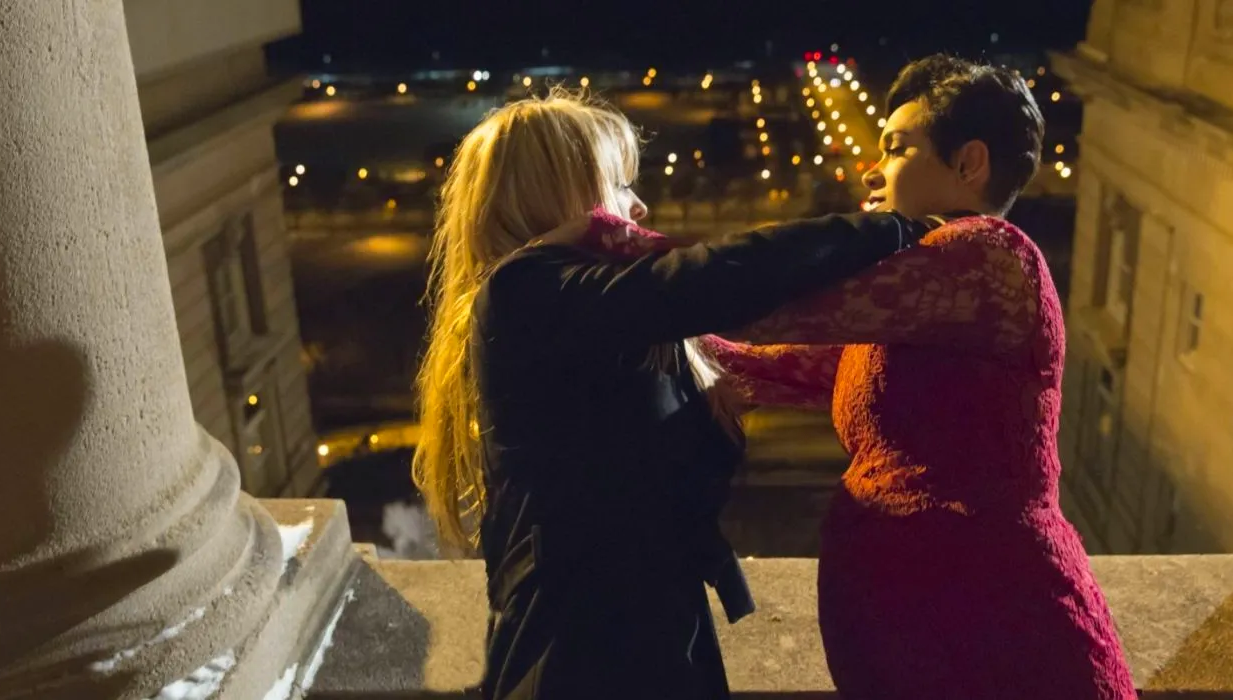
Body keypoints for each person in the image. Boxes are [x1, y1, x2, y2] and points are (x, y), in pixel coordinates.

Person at [576, 56, 1138, 699]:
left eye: (897, 149)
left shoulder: (989, 255)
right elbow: (760, 367)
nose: (872, 169)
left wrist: (617, 244)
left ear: (968, 164)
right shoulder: (919, 304)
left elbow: (771, 306)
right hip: (927, 637)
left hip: (998, 630)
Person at [411, 90, 937, 700]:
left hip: (649, 637)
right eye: (618, 183)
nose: (637, 205)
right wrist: (893, 229)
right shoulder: (523, 293)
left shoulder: (605, 318)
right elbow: (711, 279)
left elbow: (753, 342)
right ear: (557, 196)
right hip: (582, 656)